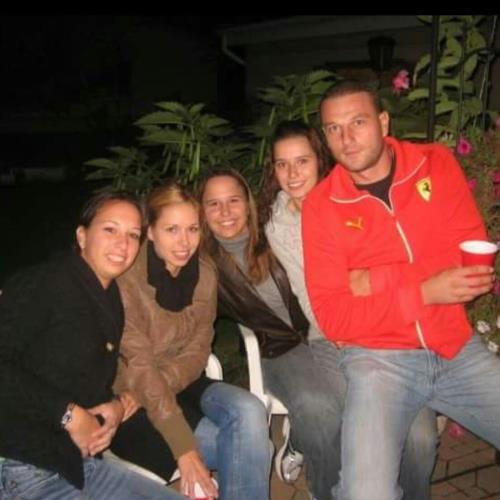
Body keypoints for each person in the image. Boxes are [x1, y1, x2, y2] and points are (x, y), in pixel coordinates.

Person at [302, 80, 500, 500]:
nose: (346, 138)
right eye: (334, 128)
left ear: (383, 122)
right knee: (365, 492)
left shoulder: (434, 163)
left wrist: (373, 280)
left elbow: (470, 264)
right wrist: (424, 290)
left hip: (454, 347)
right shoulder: (321, 206)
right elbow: (335, 317)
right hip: (377, 360)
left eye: (357, 122)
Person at [260, 118, 438, 499]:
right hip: (333, 336)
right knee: (359, 422)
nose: (292, 174)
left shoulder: (353, 196)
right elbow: (312, 295)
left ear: (320, 160)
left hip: (389, 331)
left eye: (302, 161)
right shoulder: (280, 224)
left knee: (421, 439)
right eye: (282, 164)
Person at [0, 191, 184, 500]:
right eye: (110, 229)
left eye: (133, 235)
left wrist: (113, 407)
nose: (123, 244)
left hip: (77, 464)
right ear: (82, 236)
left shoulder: (109, 297)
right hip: (22, 467)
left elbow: (83, 375)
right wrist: (68, 414)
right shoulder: (45, 284)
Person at [112, 180, 271, 500]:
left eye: (193, 229)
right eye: (172, 230)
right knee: (253, 446)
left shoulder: (205, 274)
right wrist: (183, 448)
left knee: (249, 408)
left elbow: (199, 350)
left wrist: (162, 381)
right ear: (150, 231)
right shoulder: (127, 279)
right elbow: (138, 365)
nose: (185, 242)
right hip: (127, 400)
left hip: (180, 382)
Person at [198, 168, 344, 500]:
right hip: (277, 348)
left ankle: (301, 439)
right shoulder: (205, 264)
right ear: (202, 211)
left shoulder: (275, 233)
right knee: (316, 407)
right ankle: (326, 490)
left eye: (234, 200)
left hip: (324, 330)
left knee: (353, 397)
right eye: (214, 204)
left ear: (248, 203)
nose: (225, 212)